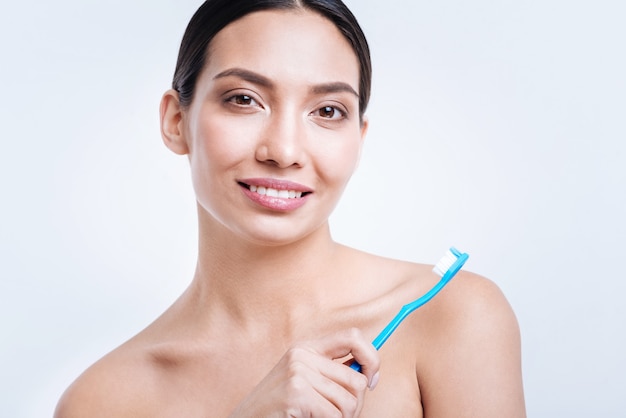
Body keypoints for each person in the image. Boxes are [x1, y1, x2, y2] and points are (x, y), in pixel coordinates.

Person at [54, 0, 526, 416]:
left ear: (357, 141)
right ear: (176, 121)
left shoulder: (454, 316)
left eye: (327, 112)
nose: (284, 150)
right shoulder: (102, 400)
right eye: (244, 100)